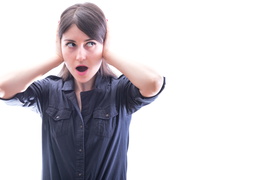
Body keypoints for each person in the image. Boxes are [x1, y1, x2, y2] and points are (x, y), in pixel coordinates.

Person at [0, 2, 165, 180]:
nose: (80, 56)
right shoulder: (48, 91)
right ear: (60, 45)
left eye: (90, 43)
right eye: (71, 44)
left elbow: (153, 82)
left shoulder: (120, 92)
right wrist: (56, 57)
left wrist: (107, 53)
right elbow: (3, 87)